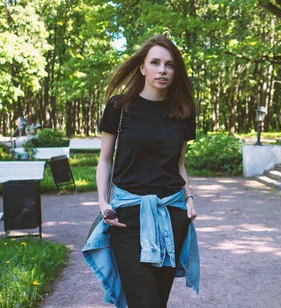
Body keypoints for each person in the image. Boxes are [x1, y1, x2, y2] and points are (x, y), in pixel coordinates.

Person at [82, 35, 200, 308]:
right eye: (155, 63)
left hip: (171, 214)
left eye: (169, 65)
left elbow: (179, 164)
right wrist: (102, 202)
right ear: (142, 68)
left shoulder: (184, 111)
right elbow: (105, 159)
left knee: (157, 302)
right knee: (142, 301)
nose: (162, 70)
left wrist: (190, 199)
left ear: (175, 71)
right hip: (127, 215)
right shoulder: (119, 107)